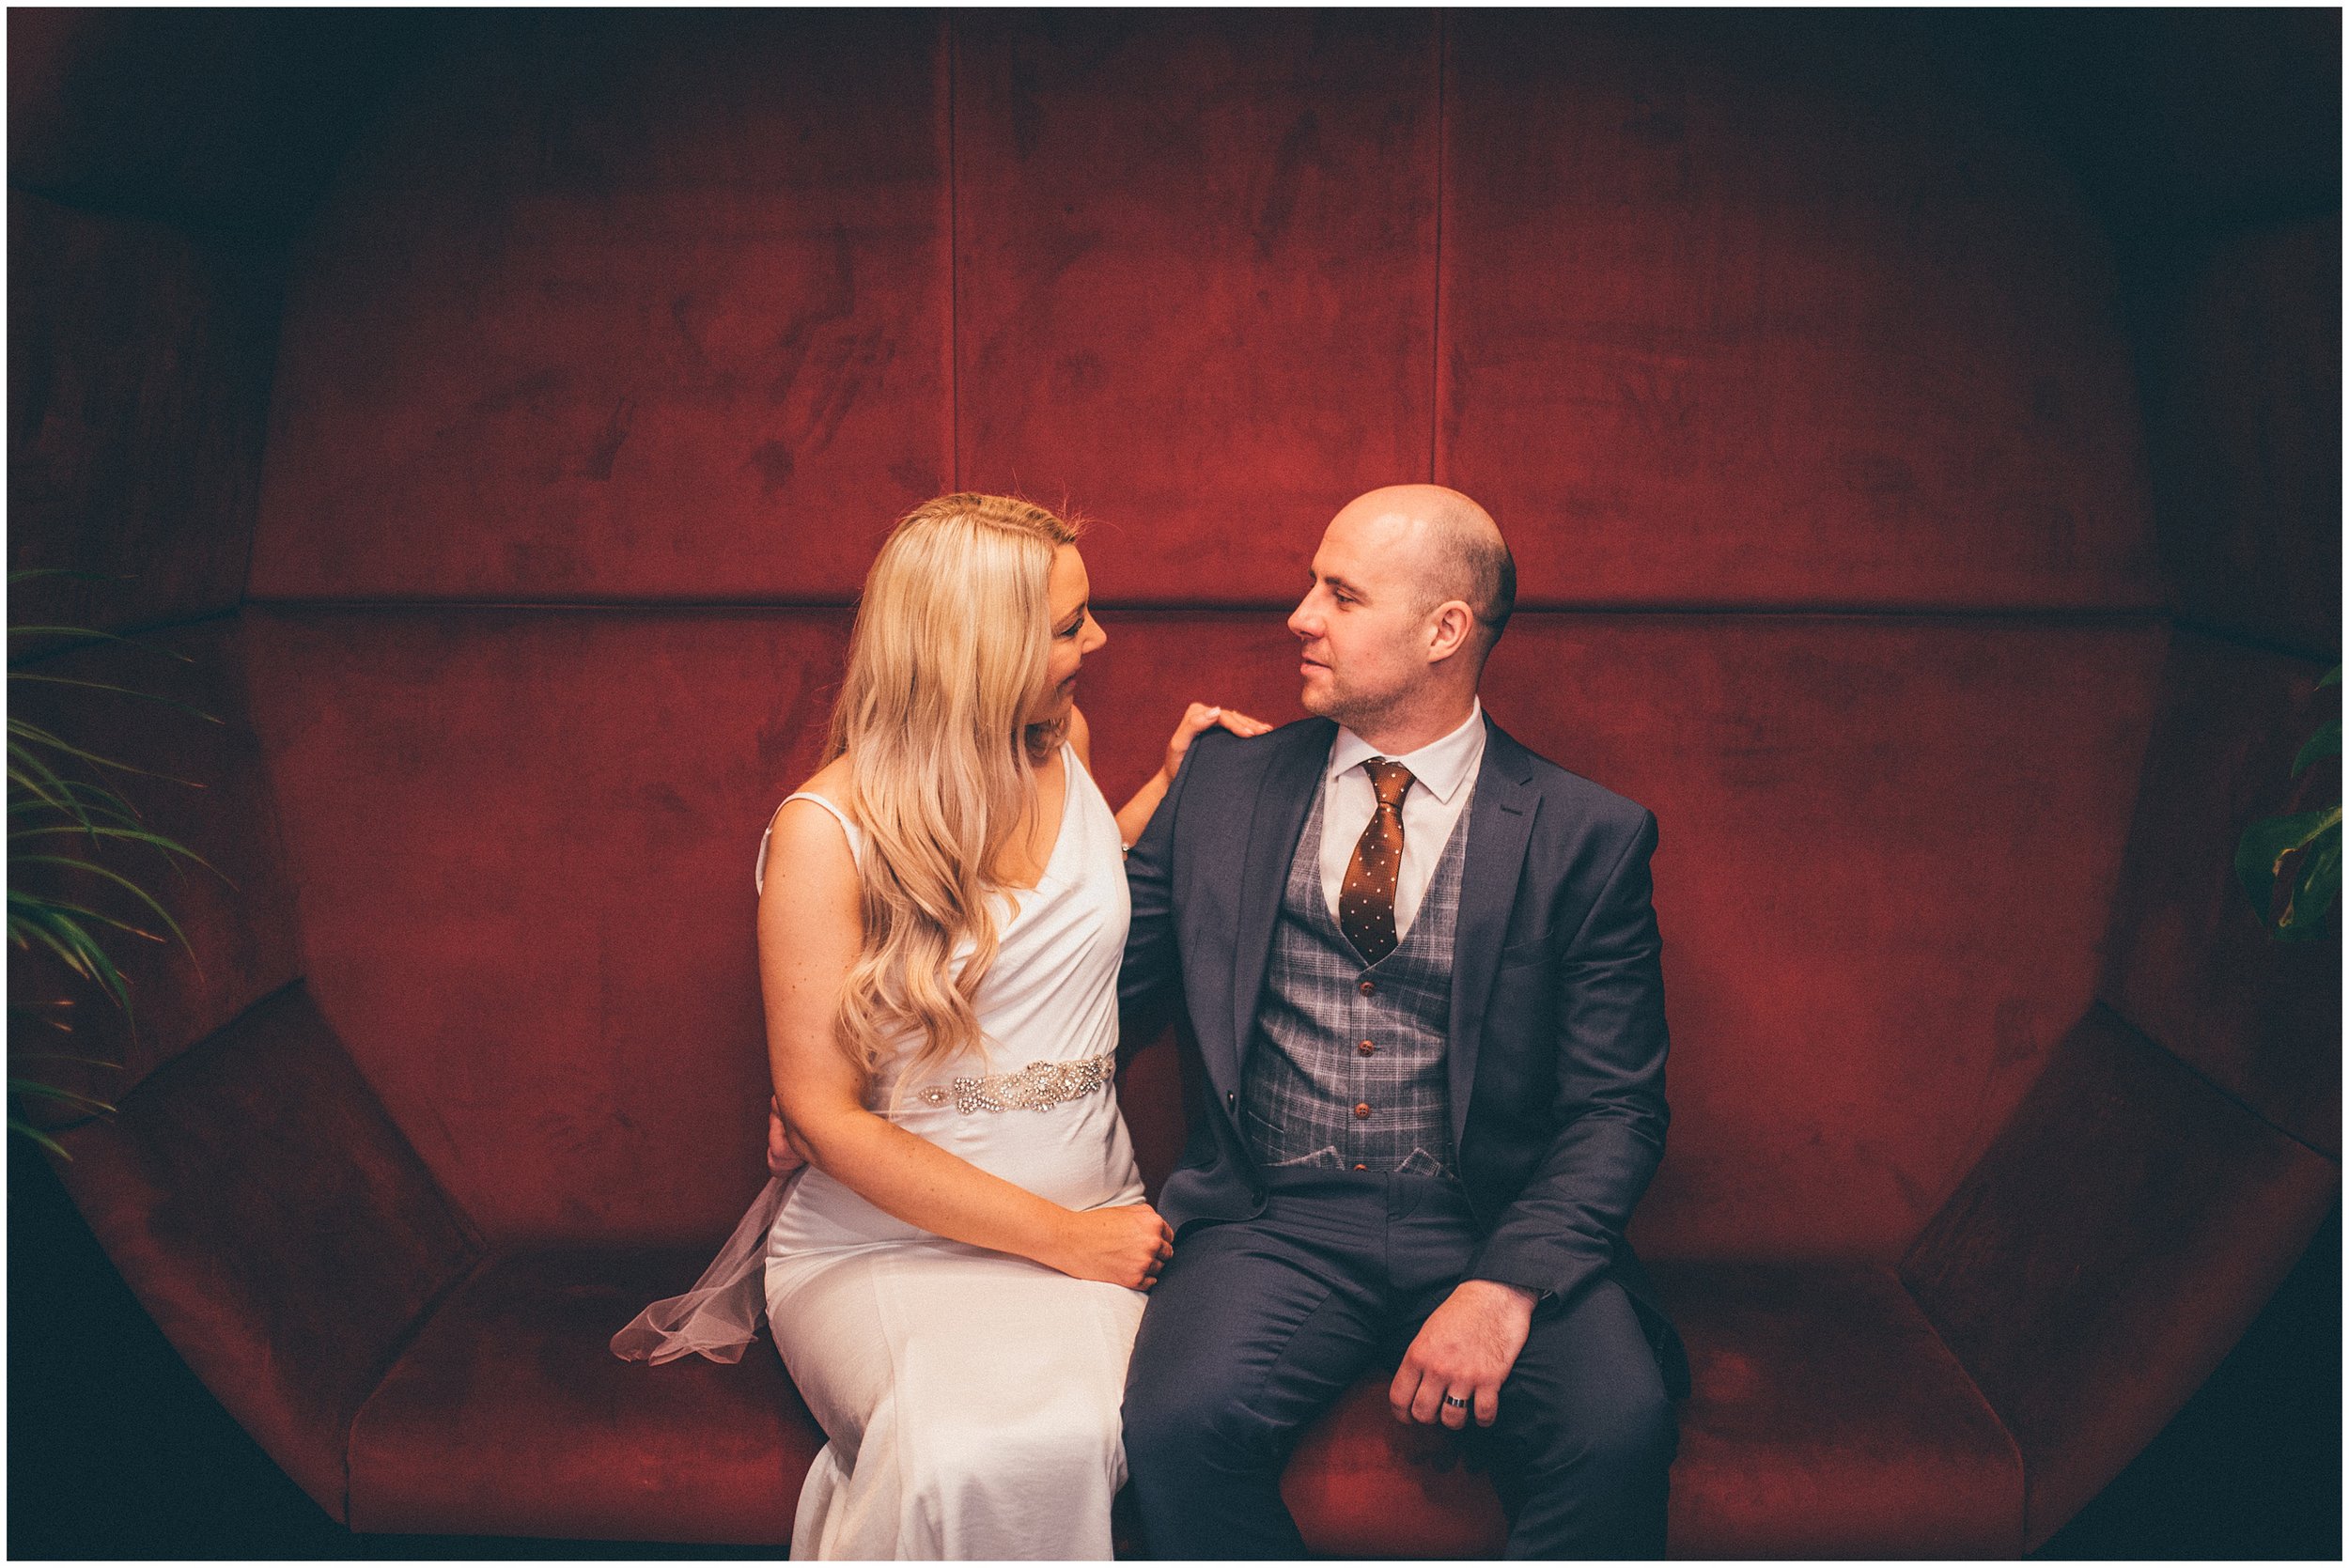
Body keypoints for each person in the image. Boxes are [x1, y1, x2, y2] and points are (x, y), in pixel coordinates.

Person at [611, 492, 1268, 1560]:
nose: (1097, 641)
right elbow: (822, 1120)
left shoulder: (1060, 743)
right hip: (887, 1247)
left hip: (1091, 1211)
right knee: (960, 1449)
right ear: (976, 647)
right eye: (1068, 626)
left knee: (1063, 1437)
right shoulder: (825, 833)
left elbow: (1058, 904)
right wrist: (1074, 1242)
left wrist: (1166, 793)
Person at [1113, 484, 1692, 1558]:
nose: (1299, 616)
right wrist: (867, 1061)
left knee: (1619, 1432)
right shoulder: (1221, 785)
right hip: (1270, 1218)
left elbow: (1617, 1107)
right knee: (1174, 1428)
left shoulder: (1586, 835)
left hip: (1488, 1215)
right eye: (1309, 585)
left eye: (1339, 593)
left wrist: (1508, 1279)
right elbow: (1081, 985)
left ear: (1444, 630)